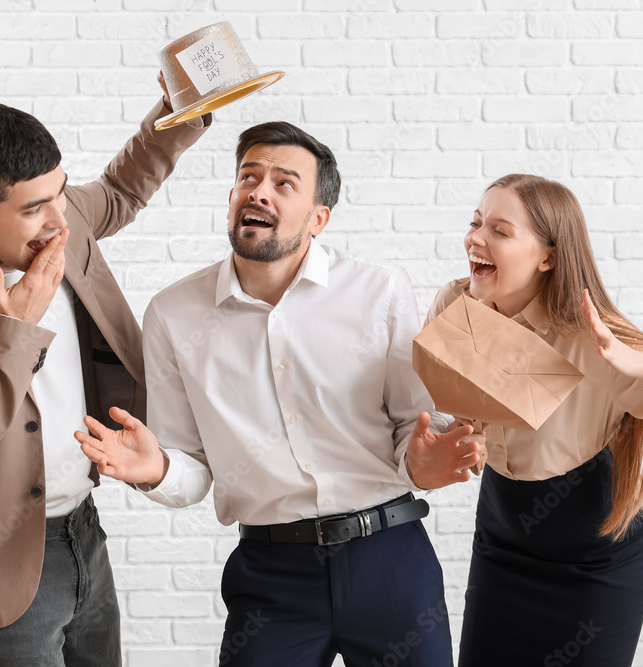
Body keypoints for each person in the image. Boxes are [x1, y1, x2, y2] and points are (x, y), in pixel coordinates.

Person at [73, 121, 483, 666]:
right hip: (272, 573)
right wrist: (157, 470)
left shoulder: (379, 292)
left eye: (284, 183)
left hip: (390, 557)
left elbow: (415, 424)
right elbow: (190, 465)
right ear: (232, 198)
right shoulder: (173, 315)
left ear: (319, 218)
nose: (259, 191)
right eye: (248, 177)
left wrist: (422, 462)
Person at [0, 76, 209, 666]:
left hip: (83, 530)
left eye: (61, 193)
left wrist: (183, 109)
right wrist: (13, 333)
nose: (60, 219)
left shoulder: (52, 214)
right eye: (35, 208)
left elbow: (121, 191)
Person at [422, 174, 643, 666]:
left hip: (594, 568)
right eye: (475, 223)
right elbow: (459, 409)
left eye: (500, 231)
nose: (476, 238)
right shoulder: (456, 306)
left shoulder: (595, 341)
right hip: (502, 546)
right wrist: (454, 443)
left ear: (548, 256)